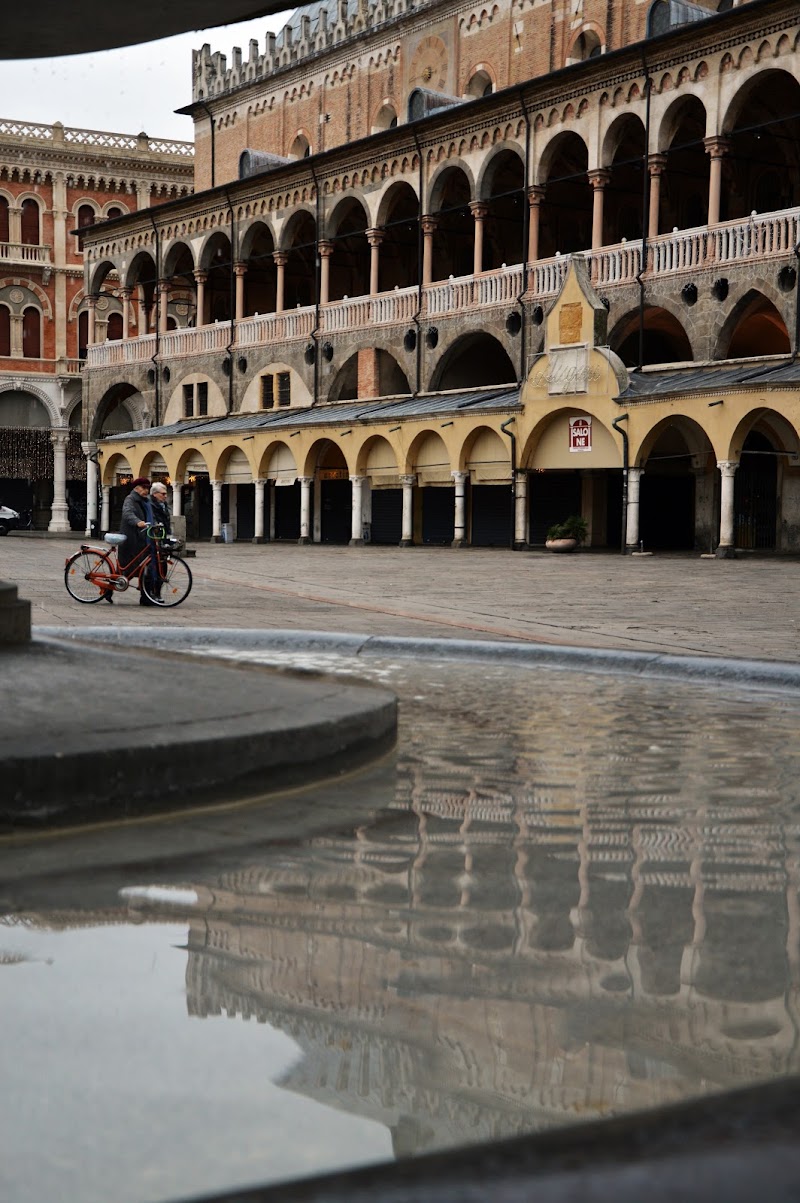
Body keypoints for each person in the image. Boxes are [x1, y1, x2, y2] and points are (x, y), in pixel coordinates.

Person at [105, 476, 155, 606]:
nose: (146, 491)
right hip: (131, 540)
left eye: (148, 488)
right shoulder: (130, 499)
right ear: (136, 488)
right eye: (144, 488)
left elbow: (151, 516)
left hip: (142, 539)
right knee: (127, 570)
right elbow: (127, 513)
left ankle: (145, 597)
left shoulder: (145, 501)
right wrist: (138, 522)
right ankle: (108, 591)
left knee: (142, 568)